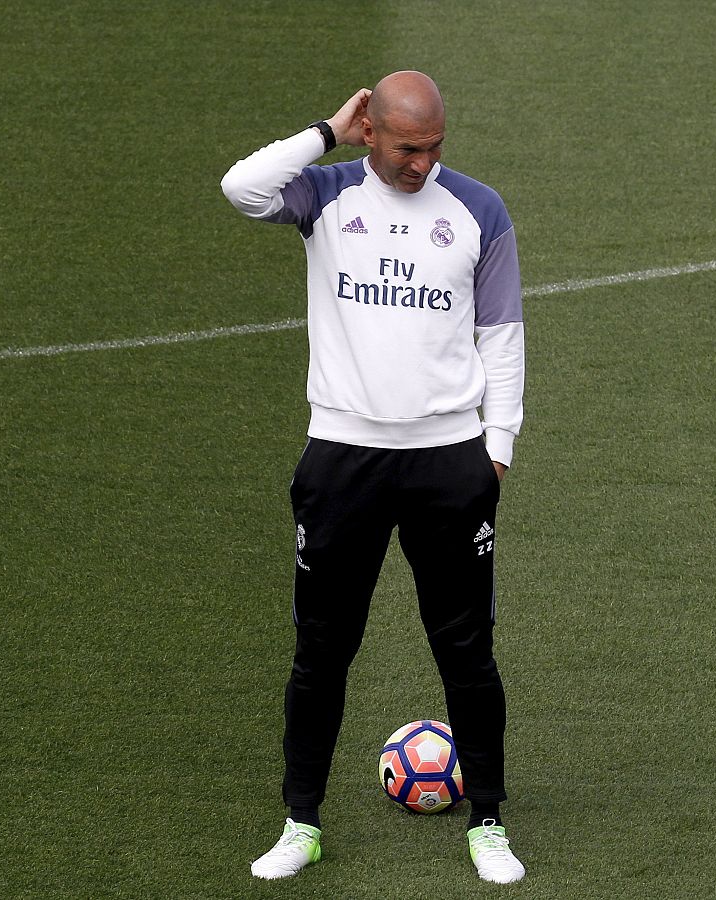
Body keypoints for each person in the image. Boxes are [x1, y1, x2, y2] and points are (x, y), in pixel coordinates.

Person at [219, 71, 527, 885]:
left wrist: (496, 449)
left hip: (449, 462)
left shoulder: (479, 211)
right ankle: (301, 821)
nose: (423, 164)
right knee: (321, 650)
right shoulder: (323, 196)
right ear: (372, 133)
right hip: (342, 458)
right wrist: (324, 130)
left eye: (434, 147)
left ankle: (489, 820)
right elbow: (241, 188)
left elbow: (502, 335)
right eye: (407, 147)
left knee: (466, 650)